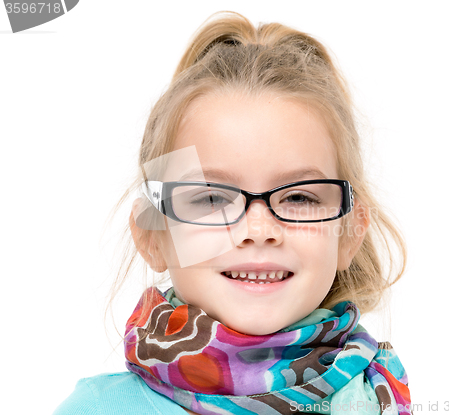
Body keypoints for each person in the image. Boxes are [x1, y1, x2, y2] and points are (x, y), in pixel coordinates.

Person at [54, 11, 411, 415]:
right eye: (210, 199)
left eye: (299, 197)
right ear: (152, 235)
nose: (258, 229)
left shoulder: (378, 398)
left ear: (349, 233)